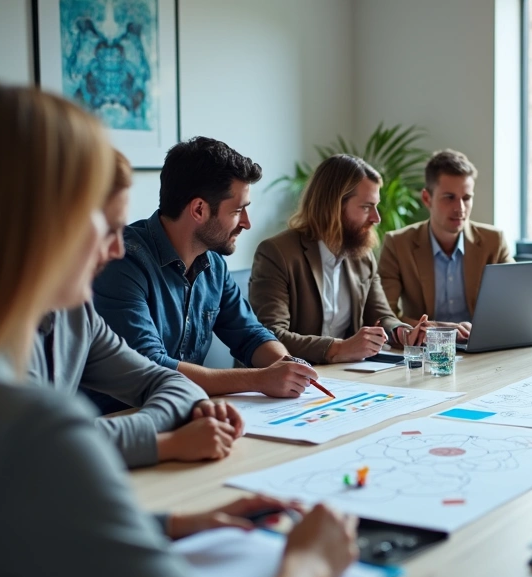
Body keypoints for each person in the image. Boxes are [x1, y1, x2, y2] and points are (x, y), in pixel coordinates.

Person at [0, 82, 358, 577]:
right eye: (106, 224)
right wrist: (309, 565)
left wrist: (167, 525)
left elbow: (12, 529)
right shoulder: (32, 431)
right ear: (39, 228)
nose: (115, 249)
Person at [29, 150, 244, 468]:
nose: (118, 250)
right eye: (109, 230)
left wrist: (190, 409)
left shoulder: (76, 314)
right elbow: (40, 445)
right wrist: (167, 443)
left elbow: (174, 384)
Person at [93, 136, 317, 399]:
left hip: (187, 411)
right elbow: (150, 366)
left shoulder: (214, 264)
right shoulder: (121, 262)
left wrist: (286, 366)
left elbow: (250, 334)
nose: (247, 223)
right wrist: (260, 379)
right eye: (238, 211)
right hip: (122, 417)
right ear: (199, 210)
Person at [250, 155, 423, 363]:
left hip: (343, 374)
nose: (376, 218)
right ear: (334, 206)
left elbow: (380, 315)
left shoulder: (362, 256)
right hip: (288, 374)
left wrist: (401, 332)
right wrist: (339, 348)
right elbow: (270, 336)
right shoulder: (277, 253)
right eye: (366, 207)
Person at [379, 149, 513, 340]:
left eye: (466, 198)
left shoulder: (494, 241)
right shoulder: (398, 244)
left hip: (480, 345)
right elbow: (385, 315)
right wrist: (436, 329)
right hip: (427, 349)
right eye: (449, 197)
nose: (460, 208)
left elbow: (513, 306)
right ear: (427, 198)